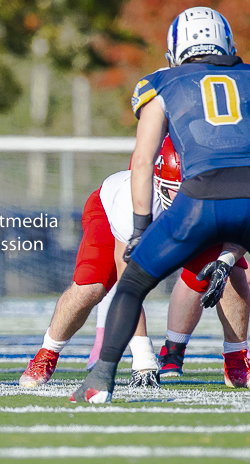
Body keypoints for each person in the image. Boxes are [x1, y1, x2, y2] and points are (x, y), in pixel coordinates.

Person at [72, 7, 250, 403]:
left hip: (202, 196)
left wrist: (140, 227)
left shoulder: (161, 83)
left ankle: (100, 380)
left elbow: (142, 161)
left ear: (175, 51)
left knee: (132, 283)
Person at [20, 137, 249, 389]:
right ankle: (46, 354)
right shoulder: (133, 199)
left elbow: (240, 233)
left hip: (184, 222)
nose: (188, 197)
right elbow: (128, 279)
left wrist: (226, 260)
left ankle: (236, 358)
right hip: (110, 215)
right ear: (159, 181)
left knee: (232, 273)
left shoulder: (219, 187)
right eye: (180, 189)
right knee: (91, 286)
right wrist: (142, 357)